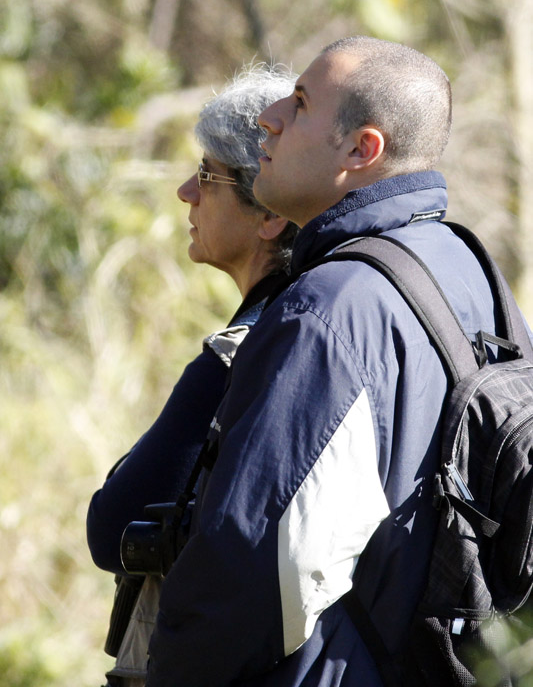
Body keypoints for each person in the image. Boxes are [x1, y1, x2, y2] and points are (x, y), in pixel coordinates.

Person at [143, 36, 533, 687]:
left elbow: (252, 566)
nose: (268, 117)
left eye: (298, 104)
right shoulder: (469, 268)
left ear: (361, 149)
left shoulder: (326, 308)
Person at [86, 63, 298, 685]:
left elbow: (113, 527)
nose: (186, 192)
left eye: (207, 175)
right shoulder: (311, 317)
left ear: (270, 216)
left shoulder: (242, 354)